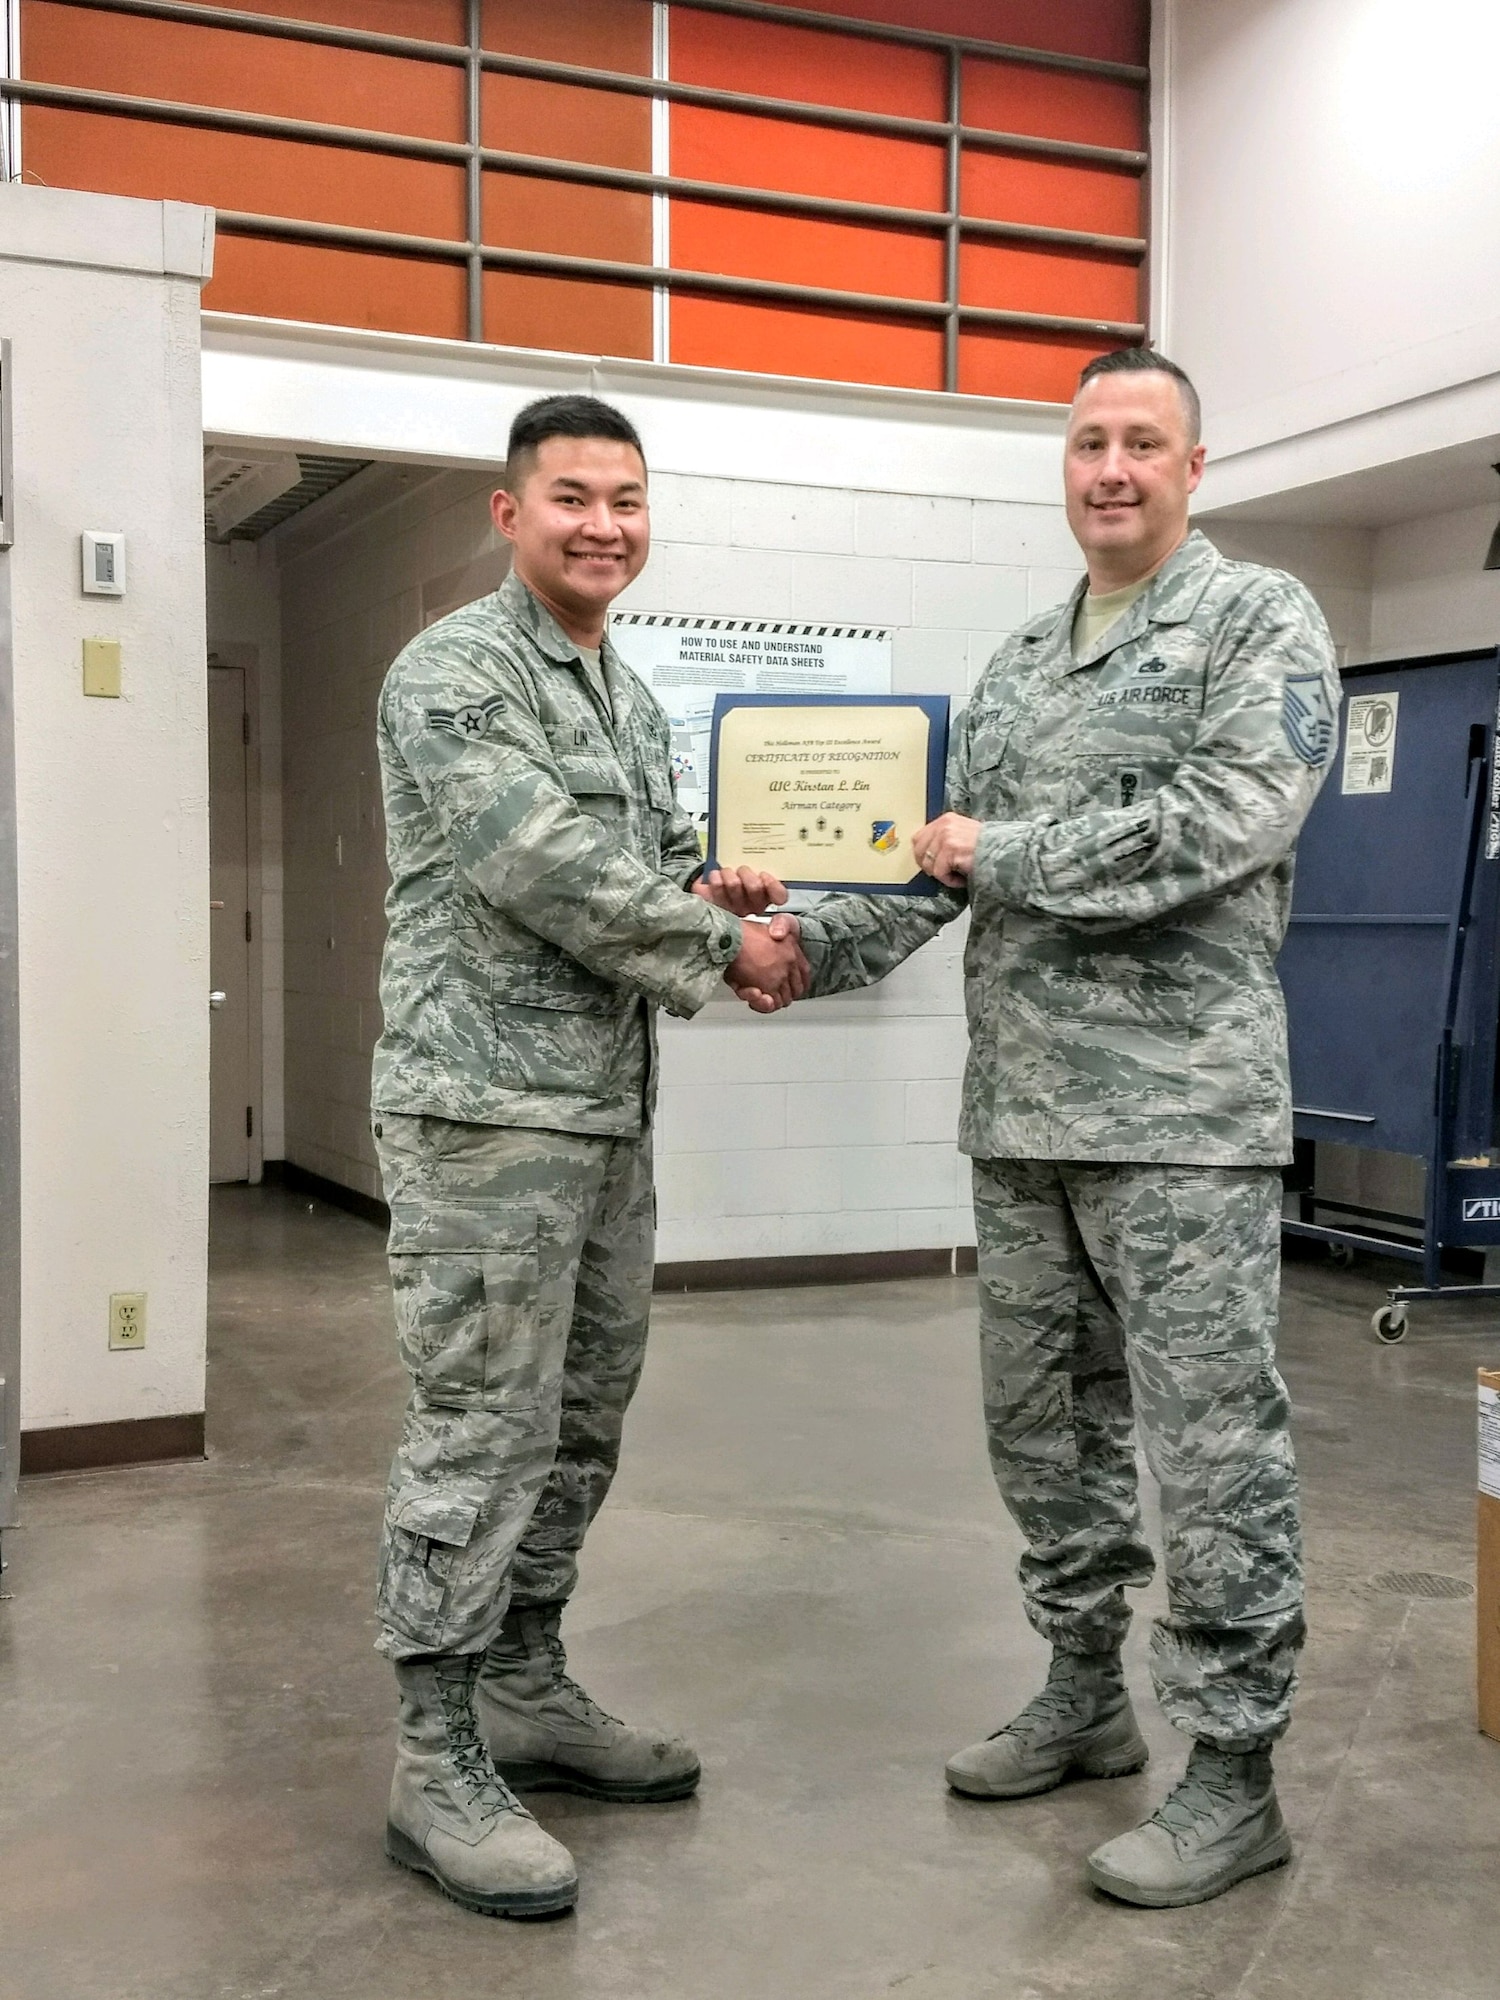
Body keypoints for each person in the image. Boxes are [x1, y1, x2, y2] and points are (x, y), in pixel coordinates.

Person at [752, 347, 1340, 1908]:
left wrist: (998, 845)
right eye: (1088, 444)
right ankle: (1084, 1697)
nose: (1112, 470)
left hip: (1180, 1124)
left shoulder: (1258, 619)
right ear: (1063, 468)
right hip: (1023, 1120)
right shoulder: (1016, 662)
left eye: (1144, 444)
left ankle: (1232, 1774)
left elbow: (1228, 822)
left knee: (1214, 1452)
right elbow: (940, 872)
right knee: (1046, 1436)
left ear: (1194, 468)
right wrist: (797, 949)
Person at [370, 393, 803, 1918]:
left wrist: (711, 875)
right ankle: (434, 1754)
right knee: (479, 1431)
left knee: (581, 1421)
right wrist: (725, 938)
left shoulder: (620, 689)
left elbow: (632, 860)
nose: (604, 523)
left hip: (604, 1112)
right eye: (572, 497)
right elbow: (540, 865)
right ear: (510, 513)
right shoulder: (454, 672)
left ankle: (526, 1684)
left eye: (627, 498)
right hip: (485, 1117)